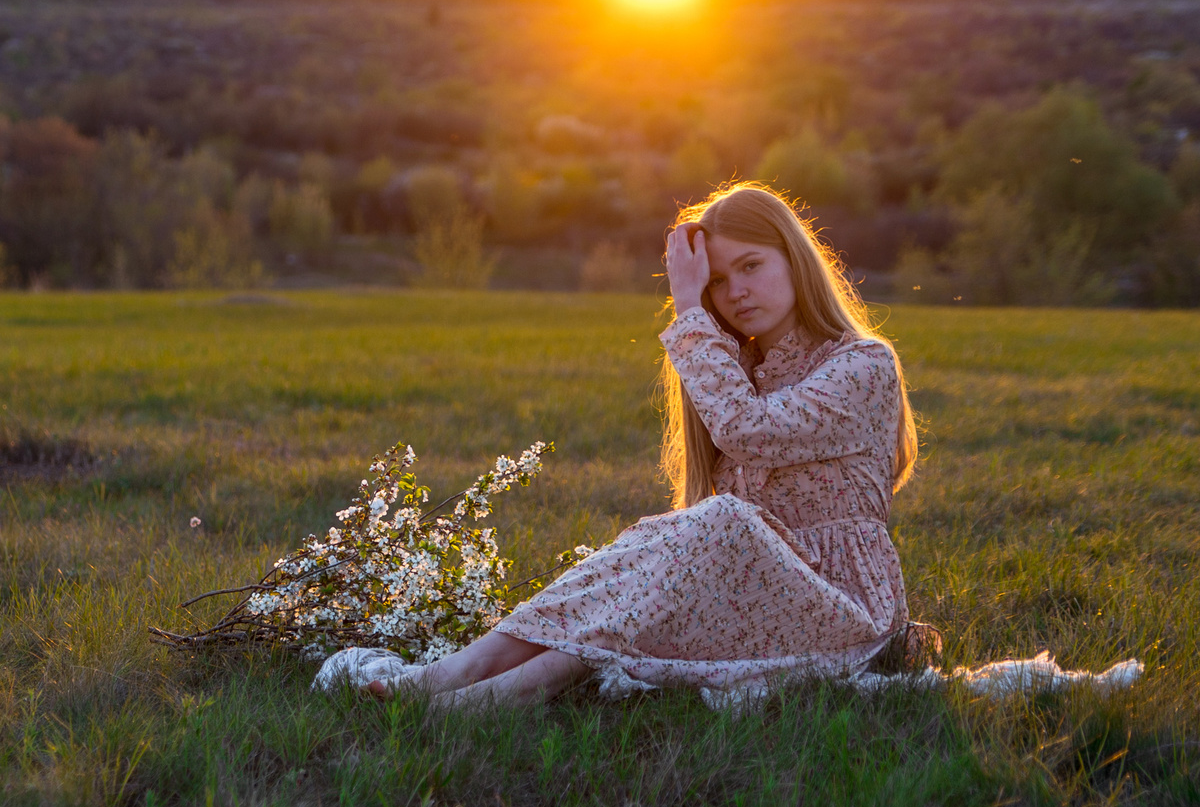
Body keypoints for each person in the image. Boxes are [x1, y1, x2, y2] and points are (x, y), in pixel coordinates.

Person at [368, 181, 937, 708]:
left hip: (845, 607)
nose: (735, 292)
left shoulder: (863, 364)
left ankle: (498, 694)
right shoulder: (733, 369)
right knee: (662, 542)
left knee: (724, 523)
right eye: (715, 281)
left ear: (795, 257)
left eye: (751, 266)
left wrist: (689, 310)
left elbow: (751, 431)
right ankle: (461, 672)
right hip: (751, 595)